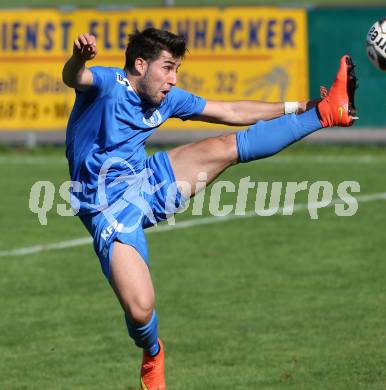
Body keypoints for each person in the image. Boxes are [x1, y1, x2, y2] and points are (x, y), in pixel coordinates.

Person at [62, 28, 357, 390]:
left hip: (147, 181)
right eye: (167, 68)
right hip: (106, 209)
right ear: (140, 64)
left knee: (225, 146)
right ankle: (153, 351)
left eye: (177, 70)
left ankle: (326, 114)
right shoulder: (109, 82)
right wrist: (79, 56)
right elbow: (74, 76)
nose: (173, 80)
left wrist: (305, 106)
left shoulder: (165, 99)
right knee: (140, 309)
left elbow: (231, 110)